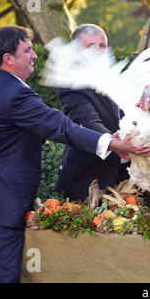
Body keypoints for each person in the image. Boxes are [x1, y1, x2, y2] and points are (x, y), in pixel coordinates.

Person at [0, 25, 150, 282]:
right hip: (3, 199)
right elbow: (61, 126)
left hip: (3, 197)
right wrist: (115, 145)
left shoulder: (1, 86)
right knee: (8, 276)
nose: (35, 56)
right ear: (9, 59)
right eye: (28, 50)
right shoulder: (14, 94)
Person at [54, 24, 129, 199]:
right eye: (90, 46)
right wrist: (118, 145)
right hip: (87, 181)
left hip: (126, 180)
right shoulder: (72, 84)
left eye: (102, 46)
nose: (97, 51)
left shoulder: (119, 80)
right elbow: (89, 122)